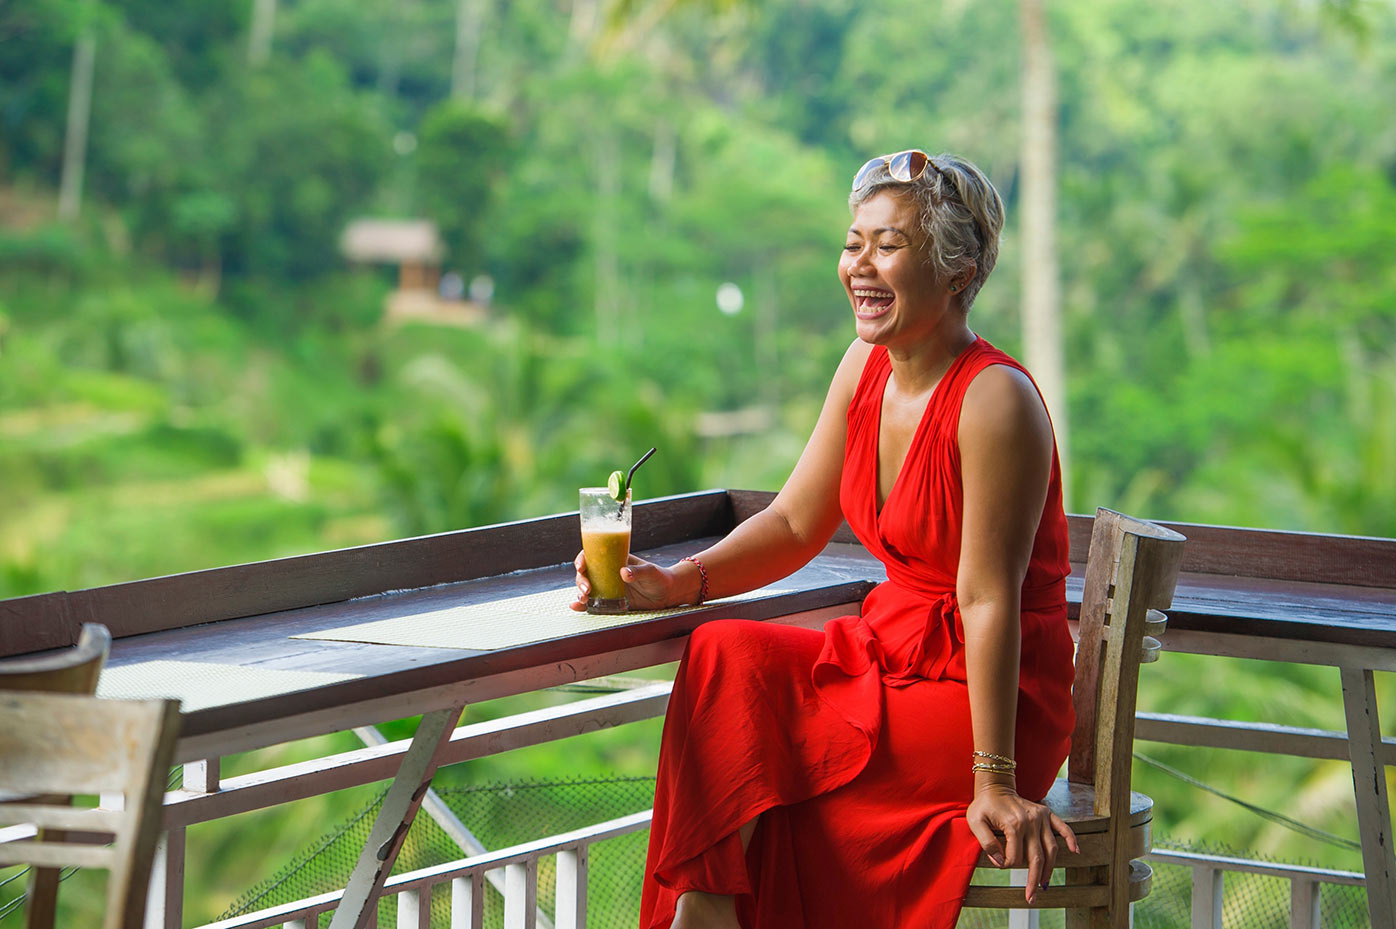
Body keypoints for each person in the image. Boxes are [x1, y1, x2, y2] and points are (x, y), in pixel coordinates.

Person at [572, 149, 1079, 929]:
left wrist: (996, 779)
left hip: (982, 700)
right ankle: (705, 910)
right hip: (890, 654)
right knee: (722, 655)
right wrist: (678, 582)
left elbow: (985, 598)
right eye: (853, 242)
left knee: (784, 791)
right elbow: (793, 521)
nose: (860, 267)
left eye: (889, 245)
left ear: (958, 271)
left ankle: (711, 919)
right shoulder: (863, 367)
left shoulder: (995, 400)